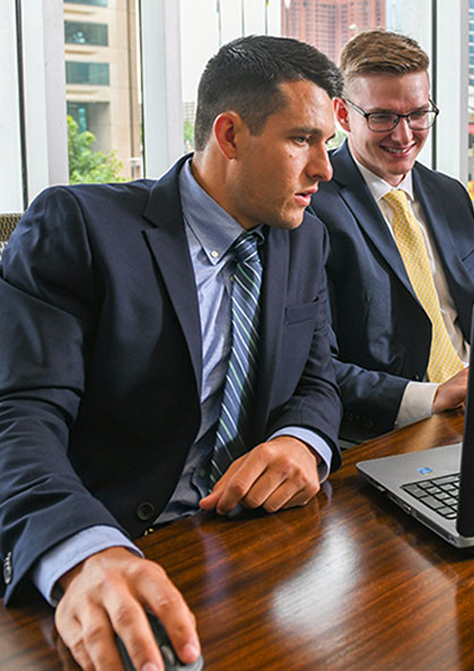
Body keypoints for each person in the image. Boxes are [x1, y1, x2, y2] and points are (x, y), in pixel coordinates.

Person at [0, 35, 343, 670]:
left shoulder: (305, 238)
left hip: (247, 552)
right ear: (231, 135)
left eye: (329, 143)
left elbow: (318, 381)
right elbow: (19, 417)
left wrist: (303, 441)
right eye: (303, 140)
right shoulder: (79, 226)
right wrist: (82, 550)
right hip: (105, 555)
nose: (324, 168)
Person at [310, 30, 474, 442]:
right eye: (382, 117)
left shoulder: (449, 195)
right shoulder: (313, 210)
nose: (405, 135)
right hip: (386, 430)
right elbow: (318, 366)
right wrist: (430, 397)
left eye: (418, 114)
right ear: (342, 115)